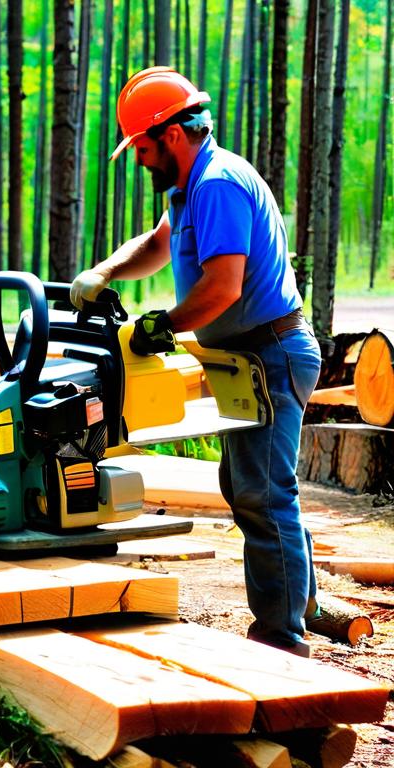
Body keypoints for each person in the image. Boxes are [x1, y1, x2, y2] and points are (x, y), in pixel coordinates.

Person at [70, 66, 322, 657]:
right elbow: (160, 244)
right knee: (246, 483)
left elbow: (224, 286)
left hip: (272, 352)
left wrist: (165, 323)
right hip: (249, 354)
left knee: (263, 492)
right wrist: (104, 271)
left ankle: (283, 640)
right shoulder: (191, 186)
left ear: (173, 135)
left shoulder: (218, 185)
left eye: (142, 147)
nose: (138, 160)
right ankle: (303, 601)